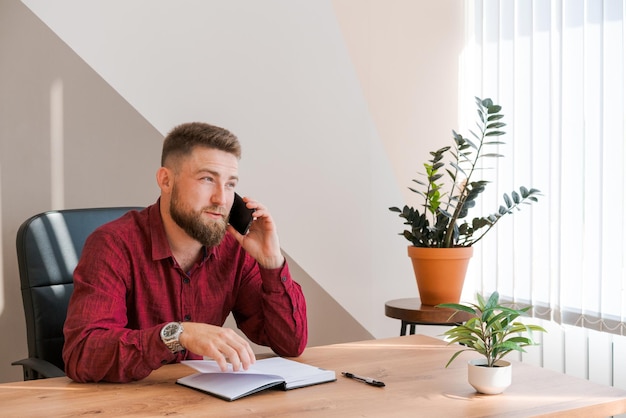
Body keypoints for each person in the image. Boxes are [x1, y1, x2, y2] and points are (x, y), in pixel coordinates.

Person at [62, 122, 308, 383]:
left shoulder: (234, 248)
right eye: (207, 179)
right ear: (166, 180)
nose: (221, 199)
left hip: (199, 400)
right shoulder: (112, 245)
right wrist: (176, 334)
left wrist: (271, 262)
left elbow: (291, 344)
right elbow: (82, 355)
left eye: (230, 184)